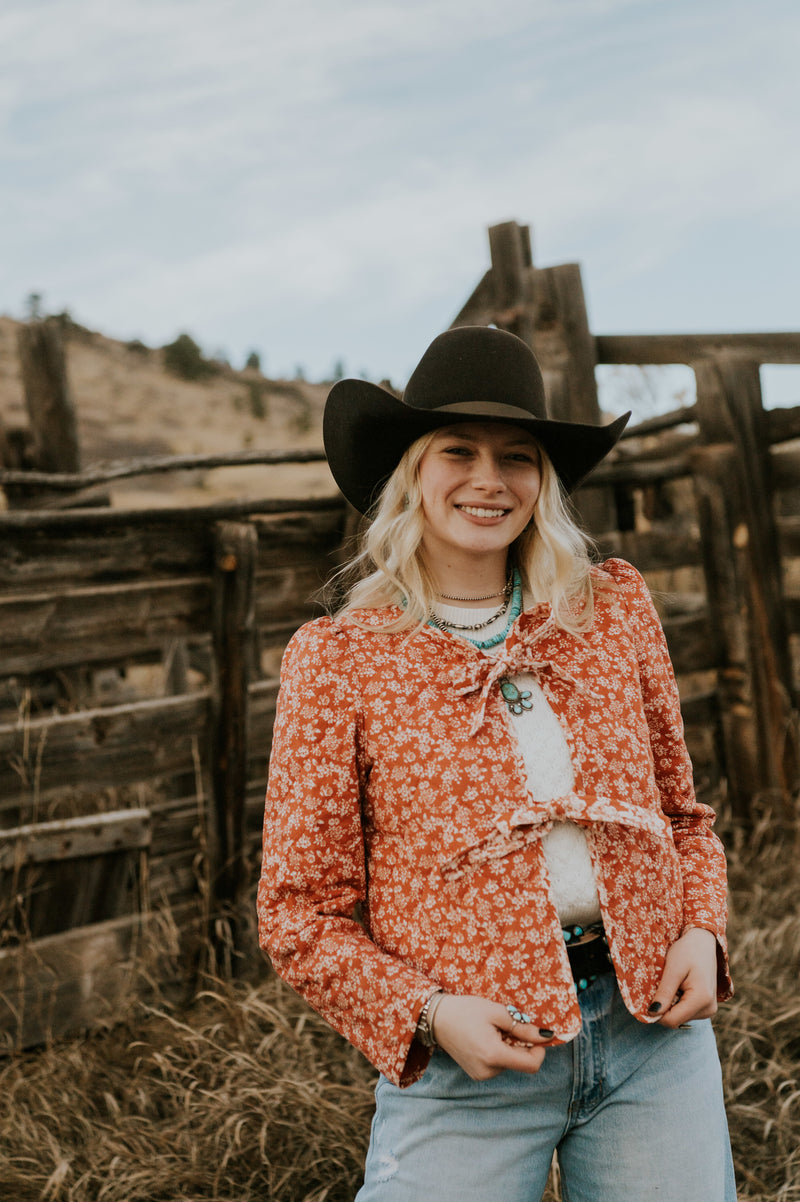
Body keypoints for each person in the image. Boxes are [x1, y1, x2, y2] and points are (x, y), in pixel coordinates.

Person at [257, 325, 736, 1201]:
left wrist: (702, 929)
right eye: (459, 451)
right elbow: (300, 914)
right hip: (468, 1063)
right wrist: (431, 1016)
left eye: (517, 456)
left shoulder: (611, 613)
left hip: (651, 1036)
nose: (489, 479)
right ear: (412, 469)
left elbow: (682, 817)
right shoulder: (341, 660)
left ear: (543, 481)